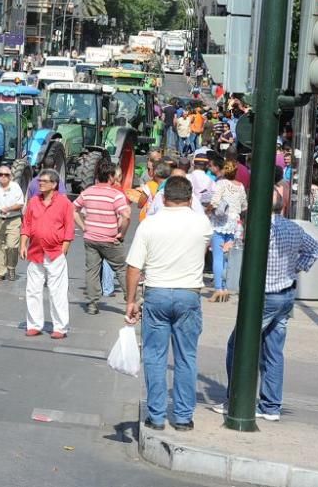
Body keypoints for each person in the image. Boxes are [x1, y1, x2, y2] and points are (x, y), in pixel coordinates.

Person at [212, 190, 318, 422]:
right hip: (285, 293)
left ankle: (236, 398)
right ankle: (271, 406)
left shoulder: (261, 229)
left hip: (264, 296)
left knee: (238, 345)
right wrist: (294, 269)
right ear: (281, 207)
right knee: (273, 351)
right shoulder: (293, 228)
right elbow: (315, 250)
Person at [125, 176, 213, 432]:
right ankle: (183, 417)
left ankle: (156, 415)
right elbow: (206, 245)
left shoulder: (150, 225)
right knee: (187, 357)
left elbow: (133, 267)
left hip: (157, 293)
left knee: (155, 355)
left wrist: (130, 301)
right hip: (188, 294)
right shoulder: (201, 223)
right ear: (190, 198)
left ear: (163, 198)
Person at [21, 169, 74, 339]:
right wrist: (23, 244)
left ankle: (60, 327)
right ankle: (34, 324)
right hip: (35, 251)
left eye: (44, 181)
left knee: (57, 291)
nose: (40, 183)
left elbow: (69, 227)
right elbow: (27, 225)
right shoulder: (34, 202)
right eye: (39, 181)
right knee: (32, 289)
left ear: (54, 184)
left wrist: (64, 248)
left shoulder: (65, 204)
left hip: (55, 252)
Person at [73, 157, 130, 315]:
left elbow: (74, 209)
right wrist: (121, 233)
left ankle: (92, 304)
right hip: (110, 239)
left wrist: (84, 227)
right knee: (121, 269)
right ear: (111, 176)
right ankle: (131, 300)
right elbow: (126, 216)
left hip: (91, 238)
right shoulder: (115, 195)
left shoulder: (87, 192)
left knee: (92, 271)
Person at [208, 160, 247, 302]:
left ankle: (218, 288)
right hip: (234, 224)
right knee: (226, 257)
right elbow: (244, 206)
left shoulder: (221, 184)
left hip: (220, 223)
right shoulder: (240, 186)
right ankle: (224, 287)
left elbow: (214, 202)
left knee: (218, 256)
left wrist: (208, 210)